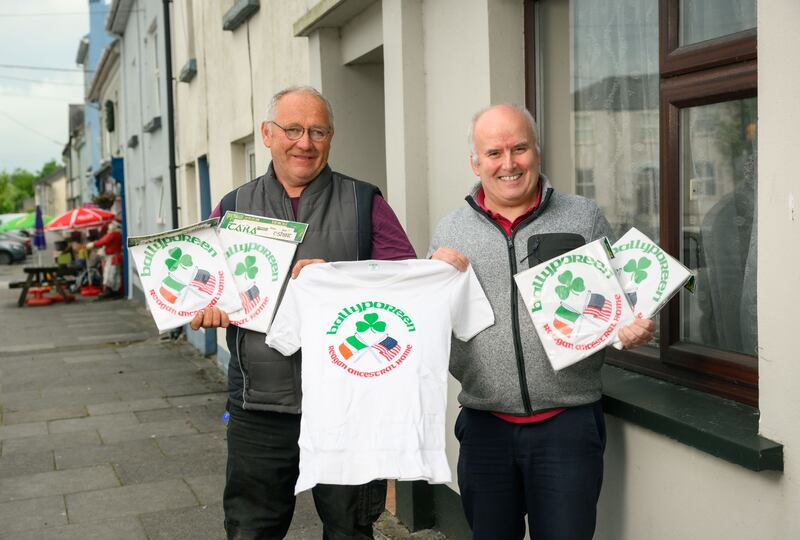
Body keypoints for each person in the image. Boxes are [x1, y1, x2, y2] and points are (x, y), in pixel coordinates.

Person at [191, 86, 417, 540]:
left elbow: (406, 285)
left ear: (331, 138)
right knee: (251, 530)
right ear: (267, 135)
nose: (305, 142)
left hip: (346, 409)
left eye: (317, 131)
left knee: (350, 531)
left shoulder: (363, 202)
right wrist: (204, 307)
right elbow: (201, 283)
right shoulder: (234, 208)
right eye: (292, 129)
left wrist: (340, 278)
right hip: (259, 406)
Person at [429, 104, 654, 540]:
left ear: (537, 151)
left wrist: (634, 330)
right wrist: (429, 272)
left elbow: (624, 303)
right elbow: (430, 321)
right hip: (484, 426)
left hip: (568, 425)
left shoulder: (582, 217)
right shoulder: (449, 231)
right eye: (494, 153)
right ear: (475, 162)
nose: (509, 164)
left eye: (520, 148)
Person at [87, 221, 123, 300]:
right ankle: (115, 290)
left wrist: (93, 244)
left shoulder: (113, 234)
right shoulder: (119, 234)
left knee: (109, 274)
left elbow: (102, 241)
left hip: (112, 257)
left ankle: (109, 291)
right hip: (116, 256)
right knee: (115, 274)